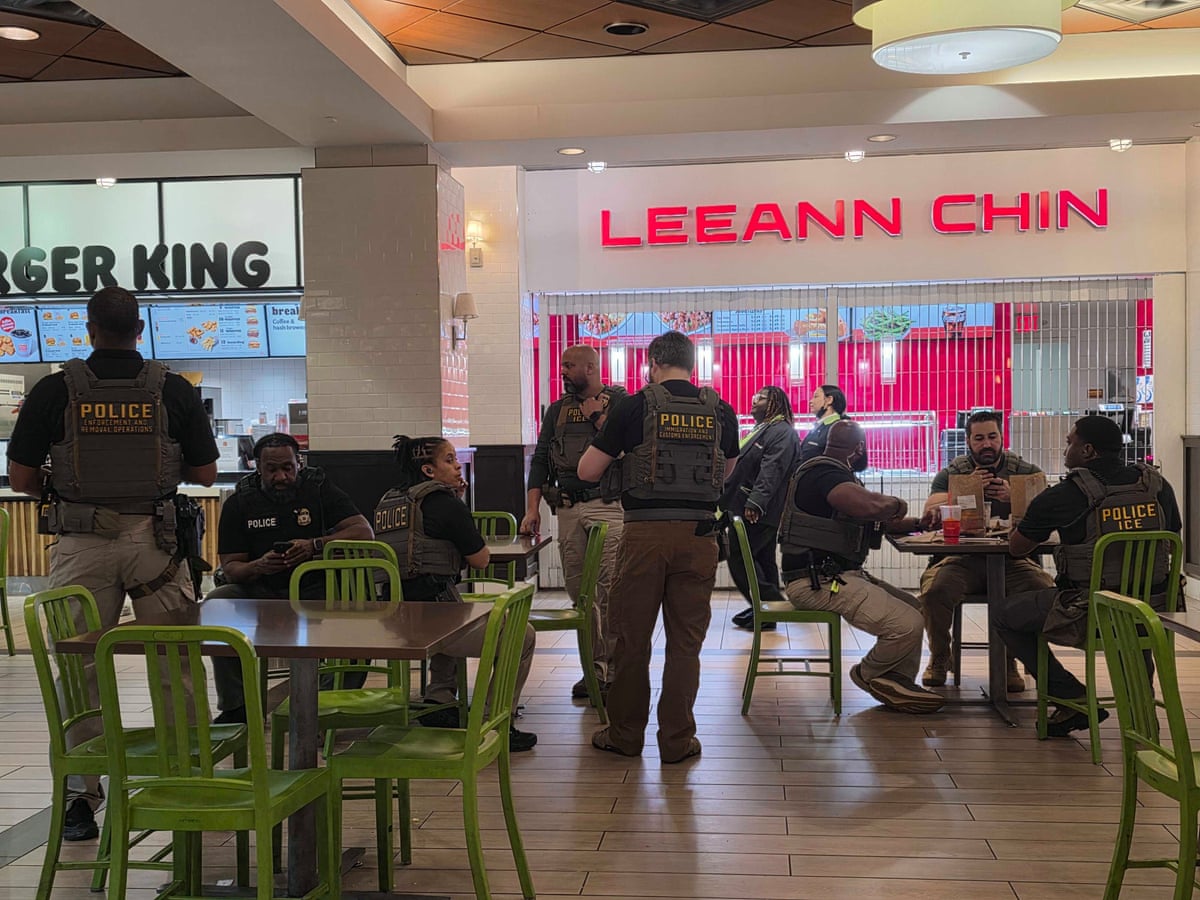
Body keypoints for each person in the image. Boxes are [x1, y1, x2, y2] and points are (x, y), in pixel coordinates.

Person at [6, 286, 219, 842]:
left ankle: (81, 800)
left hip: (81, 543)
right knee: (176, 665)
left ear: (88, 328)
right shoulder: (173, 389)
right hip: (158, 544)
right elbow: (206, 474)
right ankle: (186, 778)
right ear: (141, 330)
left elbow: (23, 481)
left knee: (80, 671)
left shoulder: (55, 390)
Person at [577, 330, 740, 763]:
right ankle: (677, 741)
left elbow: (589, 471)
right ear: (693, 365)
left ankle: (626, 735)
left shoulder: (633, 406)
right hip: (700, 536)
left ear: (652, 363)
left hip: (644, 536)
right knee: (686, 644)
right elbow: (725, 474)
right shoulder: (721, 410)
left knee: (632, 639)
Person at [996, 415, 1182, 736]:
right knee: (1130, 613)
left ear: (1088, 450)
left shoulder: (1064, 495)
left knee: (1004, 615)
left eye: (1071, 442)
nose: (1066, 448)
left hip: (1088, 611)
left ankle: (1070, 695)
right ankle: (1141, 718)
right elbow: (1172, 534)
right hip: (1153, 609)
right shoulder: (1157, 486)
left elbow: (1017, 548)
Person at [374, 435, 538, 752]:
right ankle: (495, 722)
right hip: (432, 621)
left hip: (391, 617)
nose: (457, 465)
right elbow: (480, 560)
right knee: (523, 635)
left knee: (455, 608)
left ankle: (440, 699)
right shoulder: (445, 504)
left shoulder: (389, 503)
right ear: (428, 470)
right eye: (449, 459)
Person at [779, 419, 945, 714]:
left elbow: (874, 522)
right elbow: (868, 508)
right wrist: (897, 504)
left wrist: (919, 524)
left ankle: (896, 681)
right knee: (907, 624)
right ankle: (870, 674)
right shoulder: (823, 473)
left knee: (916, 609)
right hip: (815, 582)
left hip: (832, 577)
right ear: (858, 449)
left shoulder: (833, 473)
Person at [207, 432, 373, 724]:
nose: (281, 476)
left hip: (317, 589)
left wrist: (314, 546)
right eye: (272, 469)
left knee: (358, 611)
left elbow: (363, 531)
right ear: (257, 466)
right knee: (218, 603)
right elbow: (231, 566)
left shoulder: (319, 489)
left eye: (288, 467)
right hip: (262, 592)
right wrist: (258, 566)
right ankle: (236, 707)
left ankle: (327, 707)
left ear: (299, 463)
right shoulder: (240, 501)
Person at [918, 410, 1053, 689]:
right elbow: (930, 509)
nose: (986, 444)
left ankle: (1010, 660)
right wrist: (967, 489)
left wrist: (1015, 495)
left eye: (992, 437)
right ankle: (940, 656)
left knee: (1042, 589)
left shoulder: (1024, 471)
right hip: (959, 560)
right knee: (935, 592)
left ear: (1003, 438)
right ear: (968, 441)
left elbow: (1048, 504)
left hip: (1013, 561)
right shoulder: (953, 472)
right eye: (979, 438)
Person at [520, 344, 626, 698]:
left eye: (569, 365)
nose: (562, 371)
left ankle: (614, 670)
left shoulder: (620, 403)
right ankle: (592, 671)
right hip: (566, 509)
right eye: (562, 365)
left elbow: (629, 450)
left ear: (591, 368)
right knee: (580, 596)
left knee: (610, 591)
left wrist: (598, 417)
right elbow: (540, 459)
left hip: (608, 505)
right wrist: (532, 509)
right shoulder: (557, 410)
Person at [727, 386, 801, 631]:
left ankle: (774, 605)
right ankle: (766, 613)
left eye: (759, 398)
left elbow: (772, 469)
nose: (753, 400)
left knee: (740, 558)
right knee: (763, 560)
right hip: (754, 507)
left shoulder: (781, 432)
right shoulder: (764, 429)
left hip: (757, 509)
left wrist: (755, 502)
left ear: (774, 403)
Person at [799, 384, 847, 462]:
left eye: (816, 396)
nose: (811, 401)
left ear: (829, 400)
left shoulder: (838, 428)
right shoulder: (820, 427)